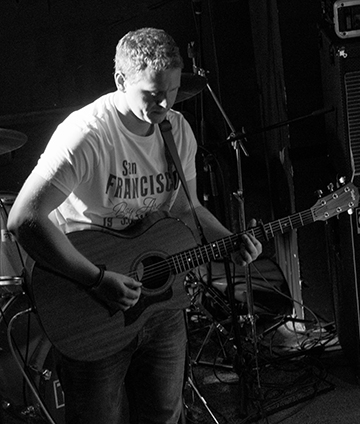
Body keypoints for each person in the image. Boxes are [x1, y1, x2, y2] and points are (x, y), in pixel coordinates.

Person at [7, 27, 262, 424]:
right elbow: (23, 218)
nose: (164, 103)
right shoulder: (87, 134)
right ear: (120, 80)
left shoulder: (176, 130)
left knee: (164, 415)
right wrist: (96, 280)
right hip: (90, 302)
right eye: (152, 93)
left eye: (172, 91)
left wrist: (231, 241)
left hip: (160, 305)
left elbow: (187, 208)